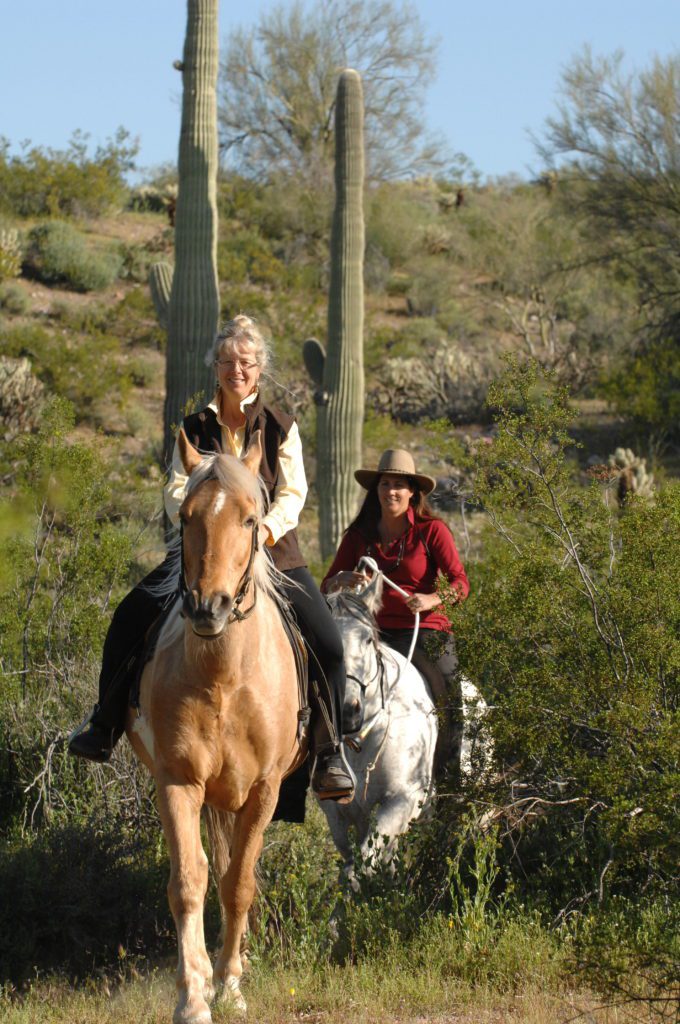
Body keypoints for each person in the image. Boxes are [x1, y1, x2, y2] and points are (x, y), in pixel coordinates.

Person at [69, 315, 354, 803]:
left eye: (245, 362)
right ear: (215, 368)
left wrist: (264, 529)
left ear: (259, 368)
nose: (235, 370)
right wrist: (196, 520)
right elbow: (177, 487)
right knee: (129, 616)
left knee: (328, 642)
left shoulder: (281, 427)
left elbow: (293, 492)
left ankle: (330, 751)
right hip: (201, 555)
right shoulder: (194, 427)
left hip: (272, 556)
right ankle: (105, 722)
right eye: (226, 361)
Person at [321, 448, 469, 779]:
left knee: (450, 687)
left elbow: (461, 584)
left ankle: (450, 773)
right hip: (371, 632)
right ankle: (326, 764)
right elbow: (324, 587)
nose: (392, 491)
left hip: (424, 630)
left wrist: (432, 599)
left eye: (399, 485)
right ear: (376, 490)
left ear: (413, 491)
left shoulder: (432, 531)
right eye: (385, 484)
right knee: (326, 677)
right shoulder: (359, 535)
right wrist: (341, 580)